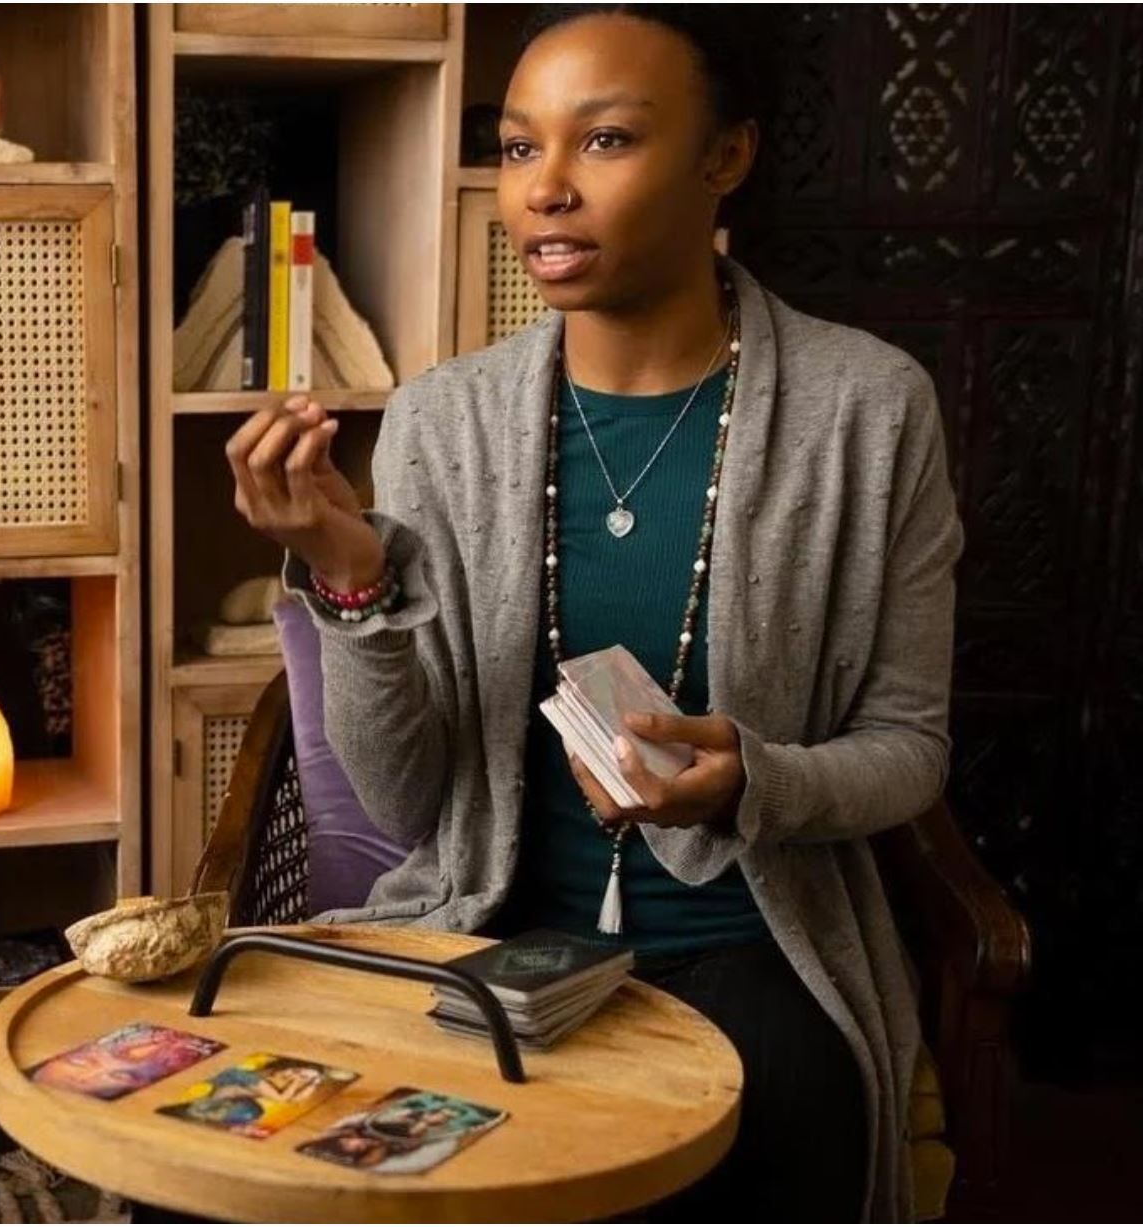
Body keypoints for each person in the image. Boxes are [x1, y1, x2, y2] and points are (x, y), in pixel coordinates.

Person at [225, 6, 964, 1222]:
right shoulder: (440, 422)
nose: (544, 192)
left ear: (723, 158)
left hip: (752, 941)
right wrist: (349, 573)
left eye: (604, 142)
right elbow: (411, 804)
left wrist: (750, 782)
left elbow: (909, 751)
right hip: (490, 931)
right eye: (518, 150)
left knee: (766, 1153)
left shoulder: (869, 411)